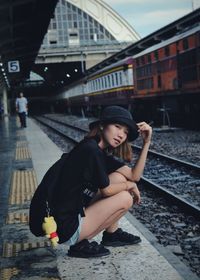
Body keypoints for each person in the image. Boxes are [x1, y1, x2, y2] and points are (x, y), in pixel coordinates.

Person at [29, 105, 152, 258]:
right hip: (67, 227)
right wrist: (130, 186)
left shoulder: (94, 147)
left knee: (119, 178)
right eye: (117, 127)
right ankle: (80, 243)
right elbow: (108, 190)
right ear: (102, 125)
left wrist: (146, 143)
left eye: (125, 132)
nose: (121, 135)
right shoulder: (91, 151)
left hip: (67, 215)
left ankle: (111, 234)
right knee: (126, 197)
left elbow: (134, 175)